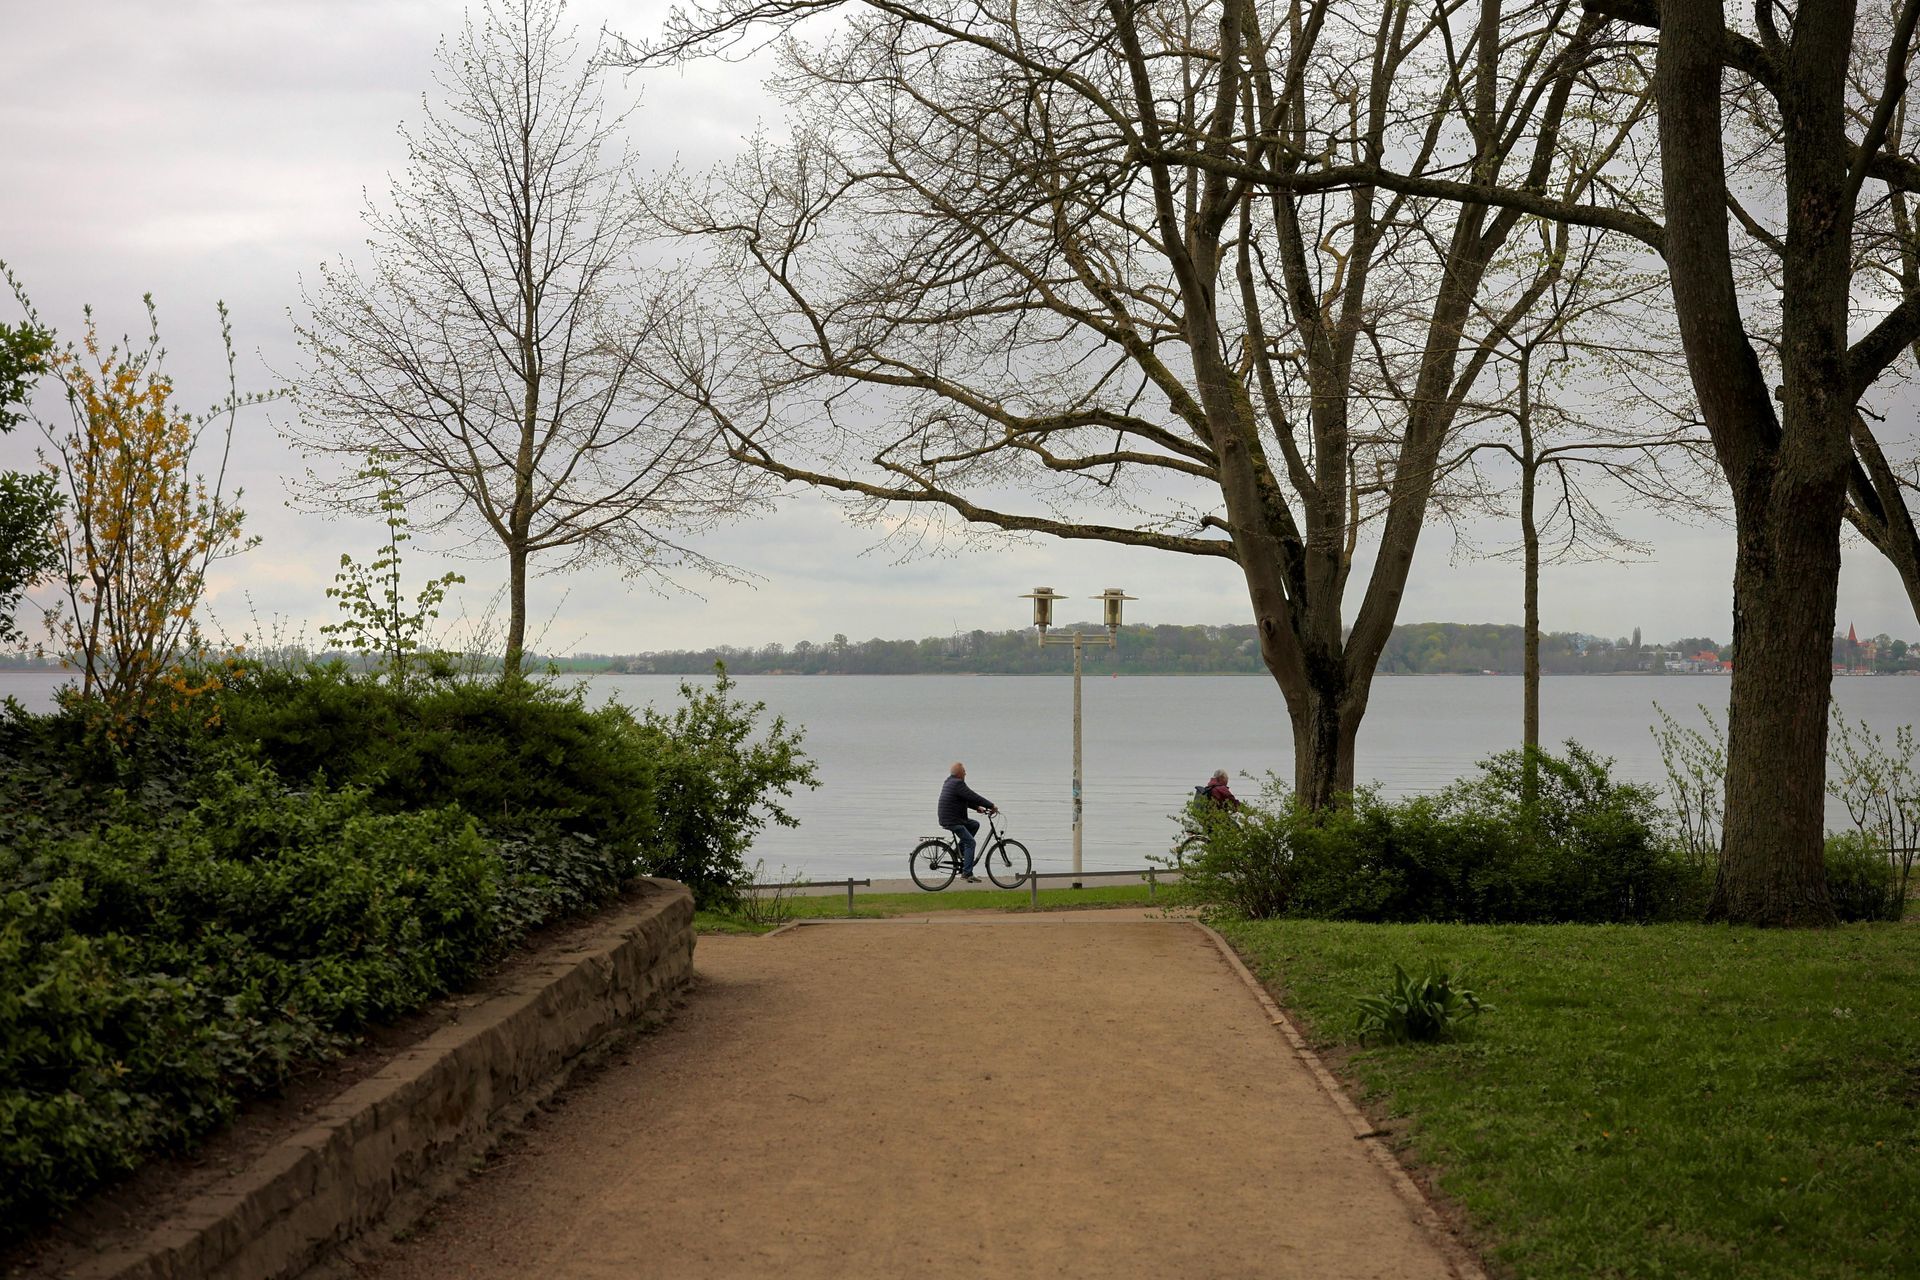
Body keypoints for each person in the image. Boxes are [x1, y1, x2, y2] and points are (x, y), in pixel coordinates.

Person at [938, 762, 997, 882]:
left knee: (974, 825)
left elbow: (964, 798)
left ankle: (957, 852)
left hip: (950, 817)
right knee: (971, 843)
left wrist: (977, 808)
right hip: (953, 820)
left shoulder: (949, 781)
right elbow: (973, 796)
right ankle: (967, 873)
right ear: (959, 773)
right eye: (964, 771)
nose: (965, 773)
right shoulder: (958, 783)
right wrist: (991, 805)